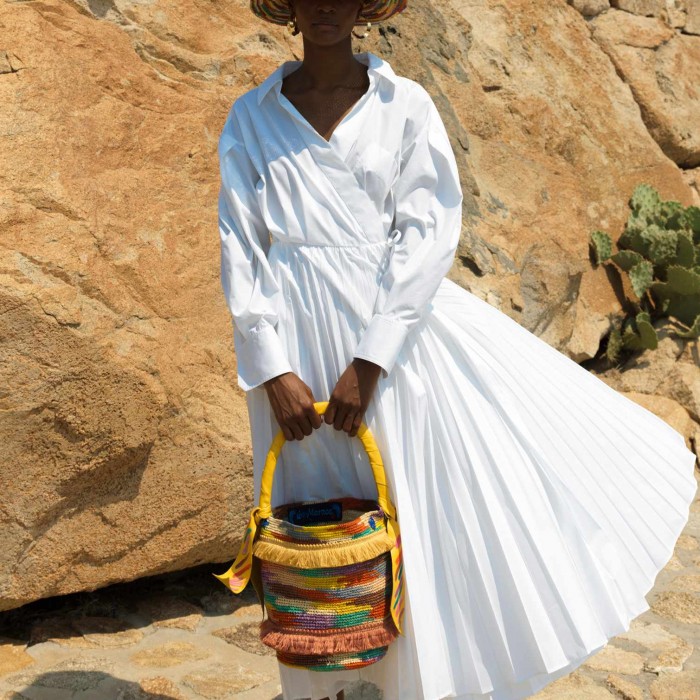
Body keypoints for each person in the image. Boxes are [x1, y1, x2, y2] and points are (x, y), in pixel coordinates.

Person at [216, 1, 698, 699]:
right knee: (312, 524)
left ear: (363, 6)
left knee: (405, 507)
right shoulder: (252, 115)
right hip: (291, 337)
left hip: (389, 337)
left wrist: (373, 359)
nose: (324, 5)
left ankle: (419, 683)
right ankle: (327, 686)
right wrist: (272, 369)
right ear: (287, 7)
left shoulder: (403, 104)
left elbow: (428, 231)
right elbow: (239, 243)